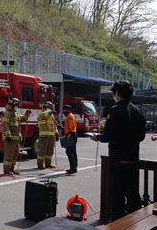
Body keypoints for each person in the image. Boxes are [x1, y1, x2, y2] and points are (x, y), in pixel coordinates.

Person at [91, 80, 146, 221]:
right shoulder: (137, 111)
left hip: (118, 160)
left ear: (117, 93)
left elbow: (108, 136)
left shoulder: (115, 111)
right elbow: (141, 136)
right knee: (133, 194)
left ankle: (118, 227)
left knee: (117, 195)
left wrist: (98, 137)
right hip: (133, 158)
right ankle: (137, 225)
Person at [2, 98, 31, 175]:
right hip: (10, 138)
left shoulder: (16, 113)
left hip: (16, 138)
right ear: (13, 105)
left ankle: (12, 169)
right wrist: (8, 135)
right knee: (9, 154)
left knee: (16, 153)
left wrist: (26, 114)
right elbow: (5, 124)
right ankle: (7, 170)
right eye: (16, 105)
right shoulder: (7, 113)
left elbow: (22, 119)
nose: (17, 107)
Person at [37, 101, 58, 170]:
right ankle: (40, 165)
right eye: (48, 107)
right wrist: (49, 112)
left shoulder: (51, 115)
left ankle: (48, 164)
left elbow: (54, 125)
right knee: (42, 151)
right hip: (44, 136)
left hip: (51, 136)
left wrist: (56, 133)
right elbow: (43, 115)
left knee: (50, 151)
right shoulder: (42, 114)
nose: (49, 109)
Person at [63, 104, 78, 174]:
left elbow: (71, 127)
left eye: (65, 110)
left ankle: (73, 168)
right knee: (73, 151)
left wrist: (69, 134)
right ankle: (74, 167)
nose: (63, 111)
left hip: (71, 135)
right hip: (72, 134)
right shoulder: (71, 116)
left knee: (68, 151)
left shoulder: (70, 116)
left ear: (68, 110)